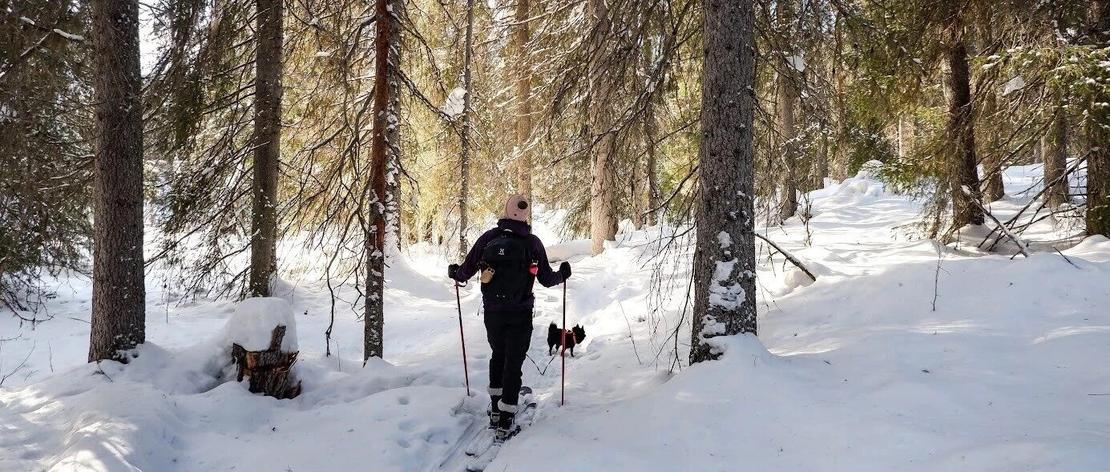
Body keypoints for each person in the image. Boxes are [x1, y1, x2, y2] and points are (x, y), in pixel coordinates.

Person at [448, 194, 571, 440]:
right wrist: (563, 274)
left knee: (498, 355)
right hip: (520, 311)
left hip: (493, 311)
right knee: (513, 363)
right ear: (525, 215)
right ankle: (506, 420)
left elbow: (465, 271)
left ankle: (495, 409)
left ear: (505, 211)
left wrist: (455, 272)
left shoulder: (489, 238)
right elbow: (546, 279)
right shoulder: (532, 242)